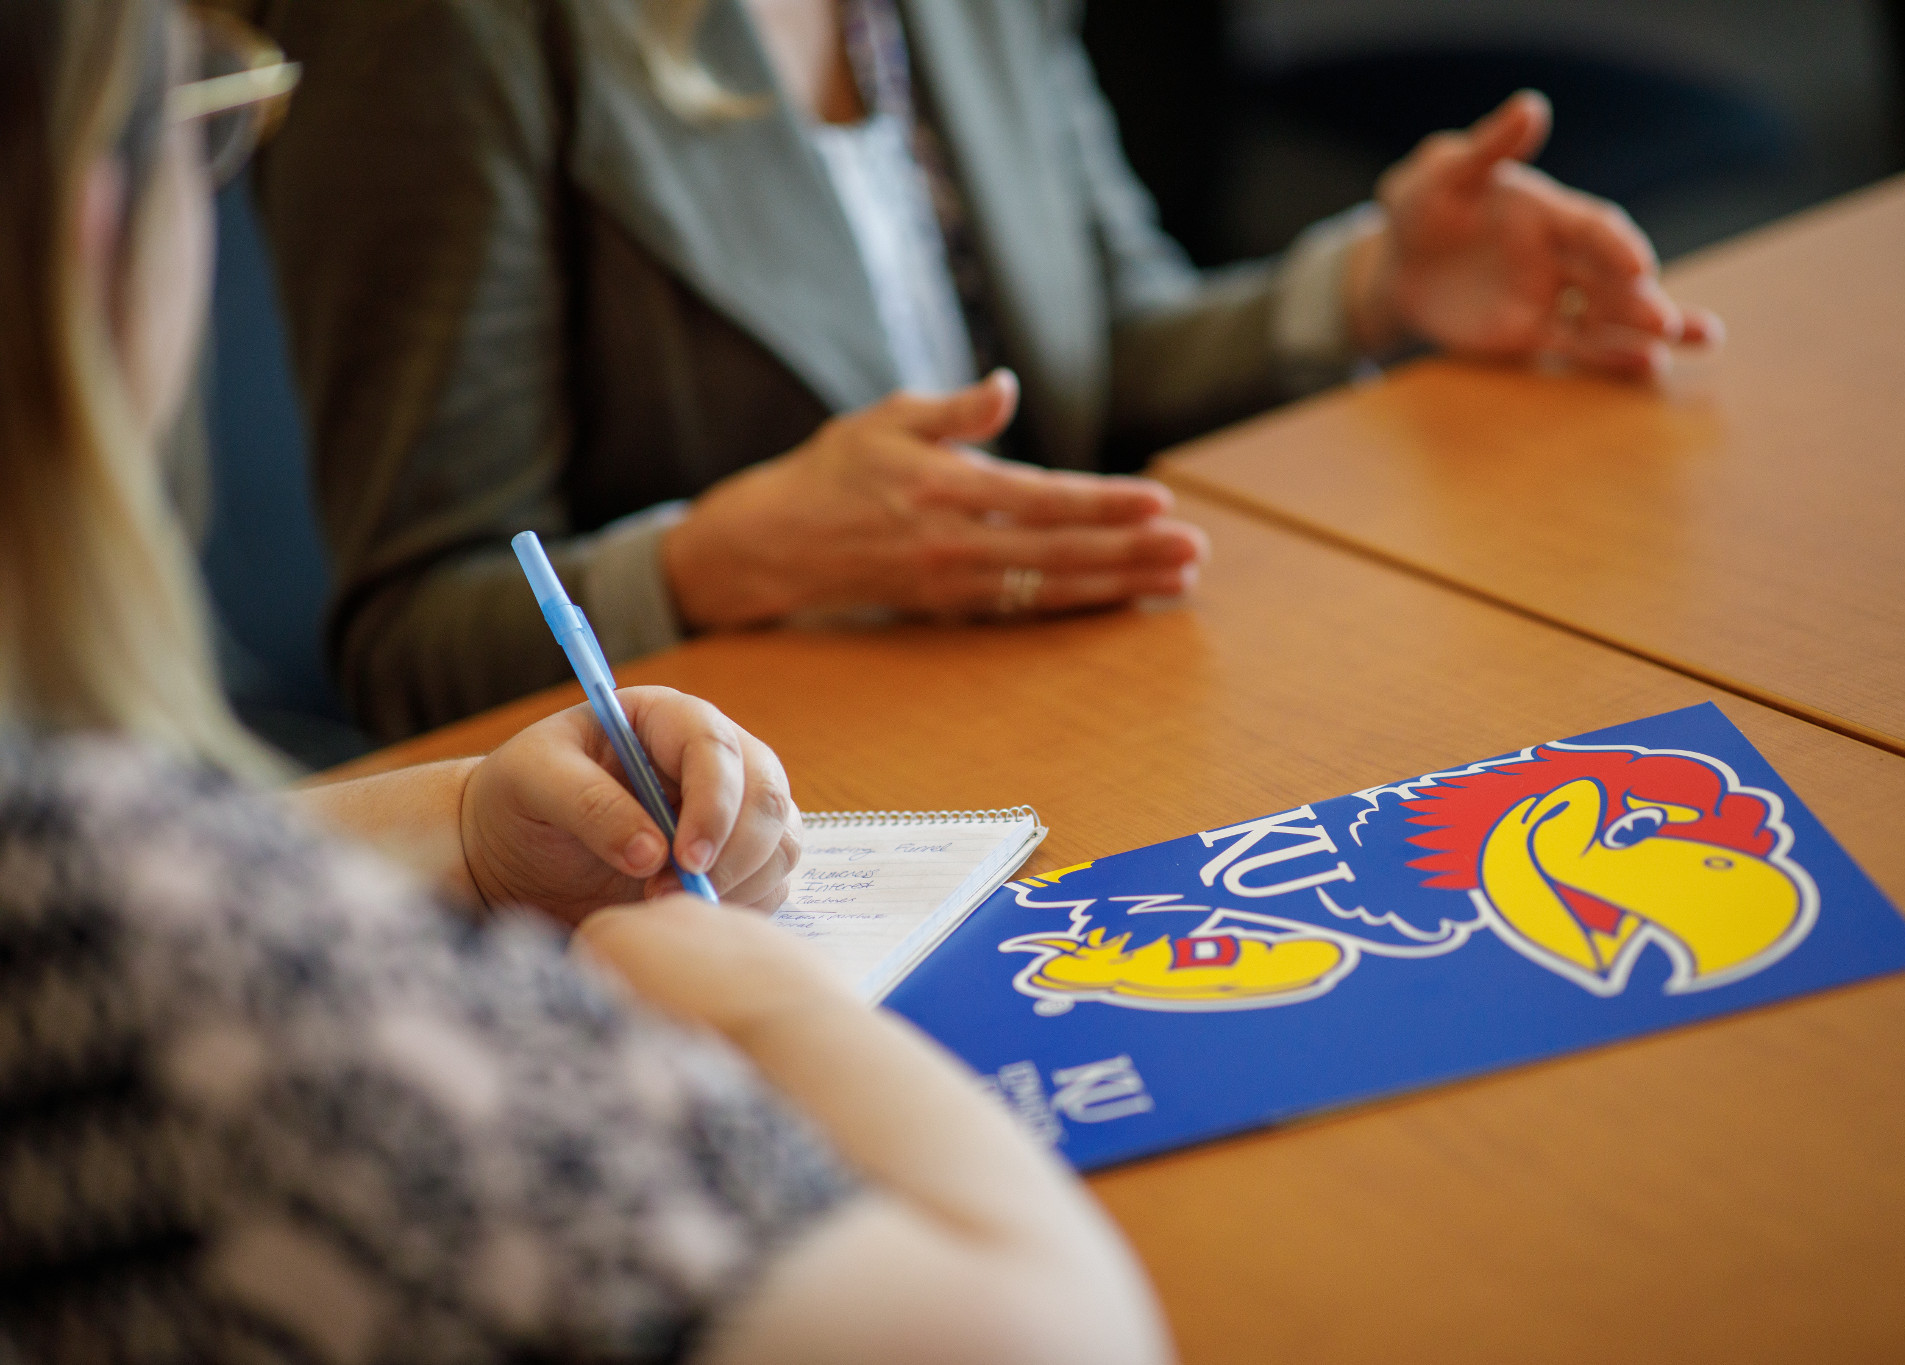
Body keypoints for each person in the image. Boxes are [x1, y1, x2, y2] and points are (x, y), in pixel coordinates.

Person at [0, 4, 1172, 1360]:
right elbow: (1044, 1338)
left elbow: (1117, 320)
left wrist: (458, 826)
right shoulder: (130, 945)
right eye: (210, 123)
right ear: (87, 233)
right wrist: (746, 990)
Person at [249, 0, 1720, 740]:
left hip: (1059, 720)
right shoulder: (435, 28)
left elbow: (1093, 369)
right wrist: (717, 560)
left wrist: (1364, 287)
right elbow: (408, 634)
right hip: (763, 836)